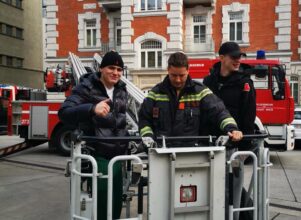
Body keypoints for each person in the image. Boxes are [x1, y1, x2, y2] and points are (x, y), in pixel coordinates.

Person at [58, 51, 127, 220]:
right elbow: (64, 112)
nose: (115, 72)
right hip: (98, 155)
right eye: (111, 67)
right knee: (102, 203)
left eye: (119, 69)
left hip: (119, 156)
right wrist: (91, 109)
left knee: (116, 202)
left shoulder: (121, 90)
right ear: (101, 68)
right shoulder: (86, 87)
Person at [138, 52, 243, 147]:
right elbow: (144, 118)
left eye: (182, 75)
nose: (178, 80)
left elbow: (219, 112)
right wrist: (147, 137)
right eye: (174, 75)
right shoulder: (155, 93)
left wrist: (232, 129)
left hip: (191, 153)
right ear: (168, 70)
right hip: (161, 153)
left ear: (188, 70)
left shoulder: (200, 92)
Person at [203, 42, 256, 220]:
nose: (238, 60)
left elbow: (249, 118)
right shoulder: (208, 81)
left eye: (239, 57)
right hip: (210, 148)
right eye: (234, 57)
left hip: (234, 149)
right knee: (210, 190)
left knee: (233, 194)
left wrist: (244, 151)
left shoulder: (245, 83)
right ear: (222, 58)